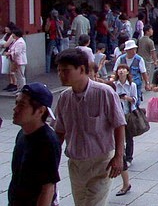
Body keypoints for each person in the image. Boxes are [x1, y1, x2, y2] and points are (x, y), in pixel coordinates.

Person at [55, 48, 126, 206]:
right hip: (76, 163)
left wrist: (118, 156)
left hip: (101, 162)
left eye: (65, 70)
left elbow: (119, 125)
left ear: (81, 69)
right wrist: (52, 158)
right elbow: (59, 131)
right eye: (59, 71)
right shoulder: (64, 98)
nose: (60, 74)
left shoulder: (104, 93)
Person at [9, 82, 61, 206]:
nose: (15, 109)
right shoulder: (22, 133)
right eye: (16, 103)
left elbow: (48, 188)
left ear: (40, 111)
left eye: (21, 105)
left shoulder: (47, 141)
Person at [114, 63, 137, 196]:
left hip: (127, 114)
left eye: (124, 69)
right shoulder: (114, 85)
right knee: (119, 141)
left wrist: (126, 98)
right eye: (119, 69)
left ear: (128, 72)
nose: (121, 71)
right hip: (117, 115)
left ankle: (128, 156)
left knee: (128, 137)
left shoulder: (132, 85)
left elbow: (135, 100)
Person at [113, 39, 150, 104]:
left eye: (134, 49)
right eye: (131, 49)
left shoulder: (139, 59)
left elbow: (143, 72)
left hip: (136, 83)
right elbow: (115, 71)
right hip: (123, 83)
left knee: (135, 101)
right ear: (126, 50)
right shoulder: (120, 59)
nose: (133, 51)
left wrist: (147, 83)